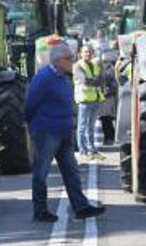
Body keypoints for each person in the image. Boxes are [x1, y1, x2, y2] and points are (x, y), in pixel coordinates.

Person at [24, 41, 106, 222]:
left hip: (63, 132)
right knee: (41, 172)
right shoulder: (44, 78)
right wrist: (34, 125)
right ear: (58, 60)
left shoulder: (62, 77)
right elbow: (30, 104)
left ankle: (81, 207)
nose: (73, 61)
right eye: (69, 58)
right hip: (46, 132)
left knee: (71, 171)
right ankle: (40, 211)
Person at [73, 44, 105, 157]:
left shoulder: (94, 65)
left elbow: (102, 80)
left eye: (90, 52)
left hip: (95, 98)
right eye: (85, 52)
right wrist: (94, 80)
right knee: (82, 126)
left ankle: (91, 148)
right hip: (84, 99)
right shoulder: (77, 66)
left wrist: (94, 80)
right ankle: (83, 149)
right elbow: (84, 80)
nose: (88, 54)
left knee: (91, 126)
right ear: (80, 54)